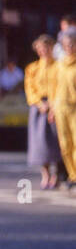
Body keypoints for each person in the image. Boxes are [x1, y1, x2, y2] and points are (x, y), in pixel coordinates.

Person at [25, 36, 63, 190]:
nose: (43, 51)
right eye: (40, 48)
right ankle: (45, 174)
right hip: (39, 107)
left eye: (46, 48)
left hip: (55, 105)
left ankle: (57, 174)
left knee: (57, 142)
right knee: (40, 143)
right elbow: (29, 88)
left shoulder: (59, 66)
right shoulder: (32, 68)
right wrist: (39, 103)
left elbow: (61, 86)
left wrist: (53, 105)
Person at [51, 30, 76, 189]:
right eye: (67, 45)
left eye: (73, 44)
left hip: (75, 106)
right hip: (60, 106)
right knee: (65, 144)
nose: (70, 47)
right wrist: (52, 109)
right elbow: (53, 87)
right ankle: (72, 175)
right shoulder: (59, 65)